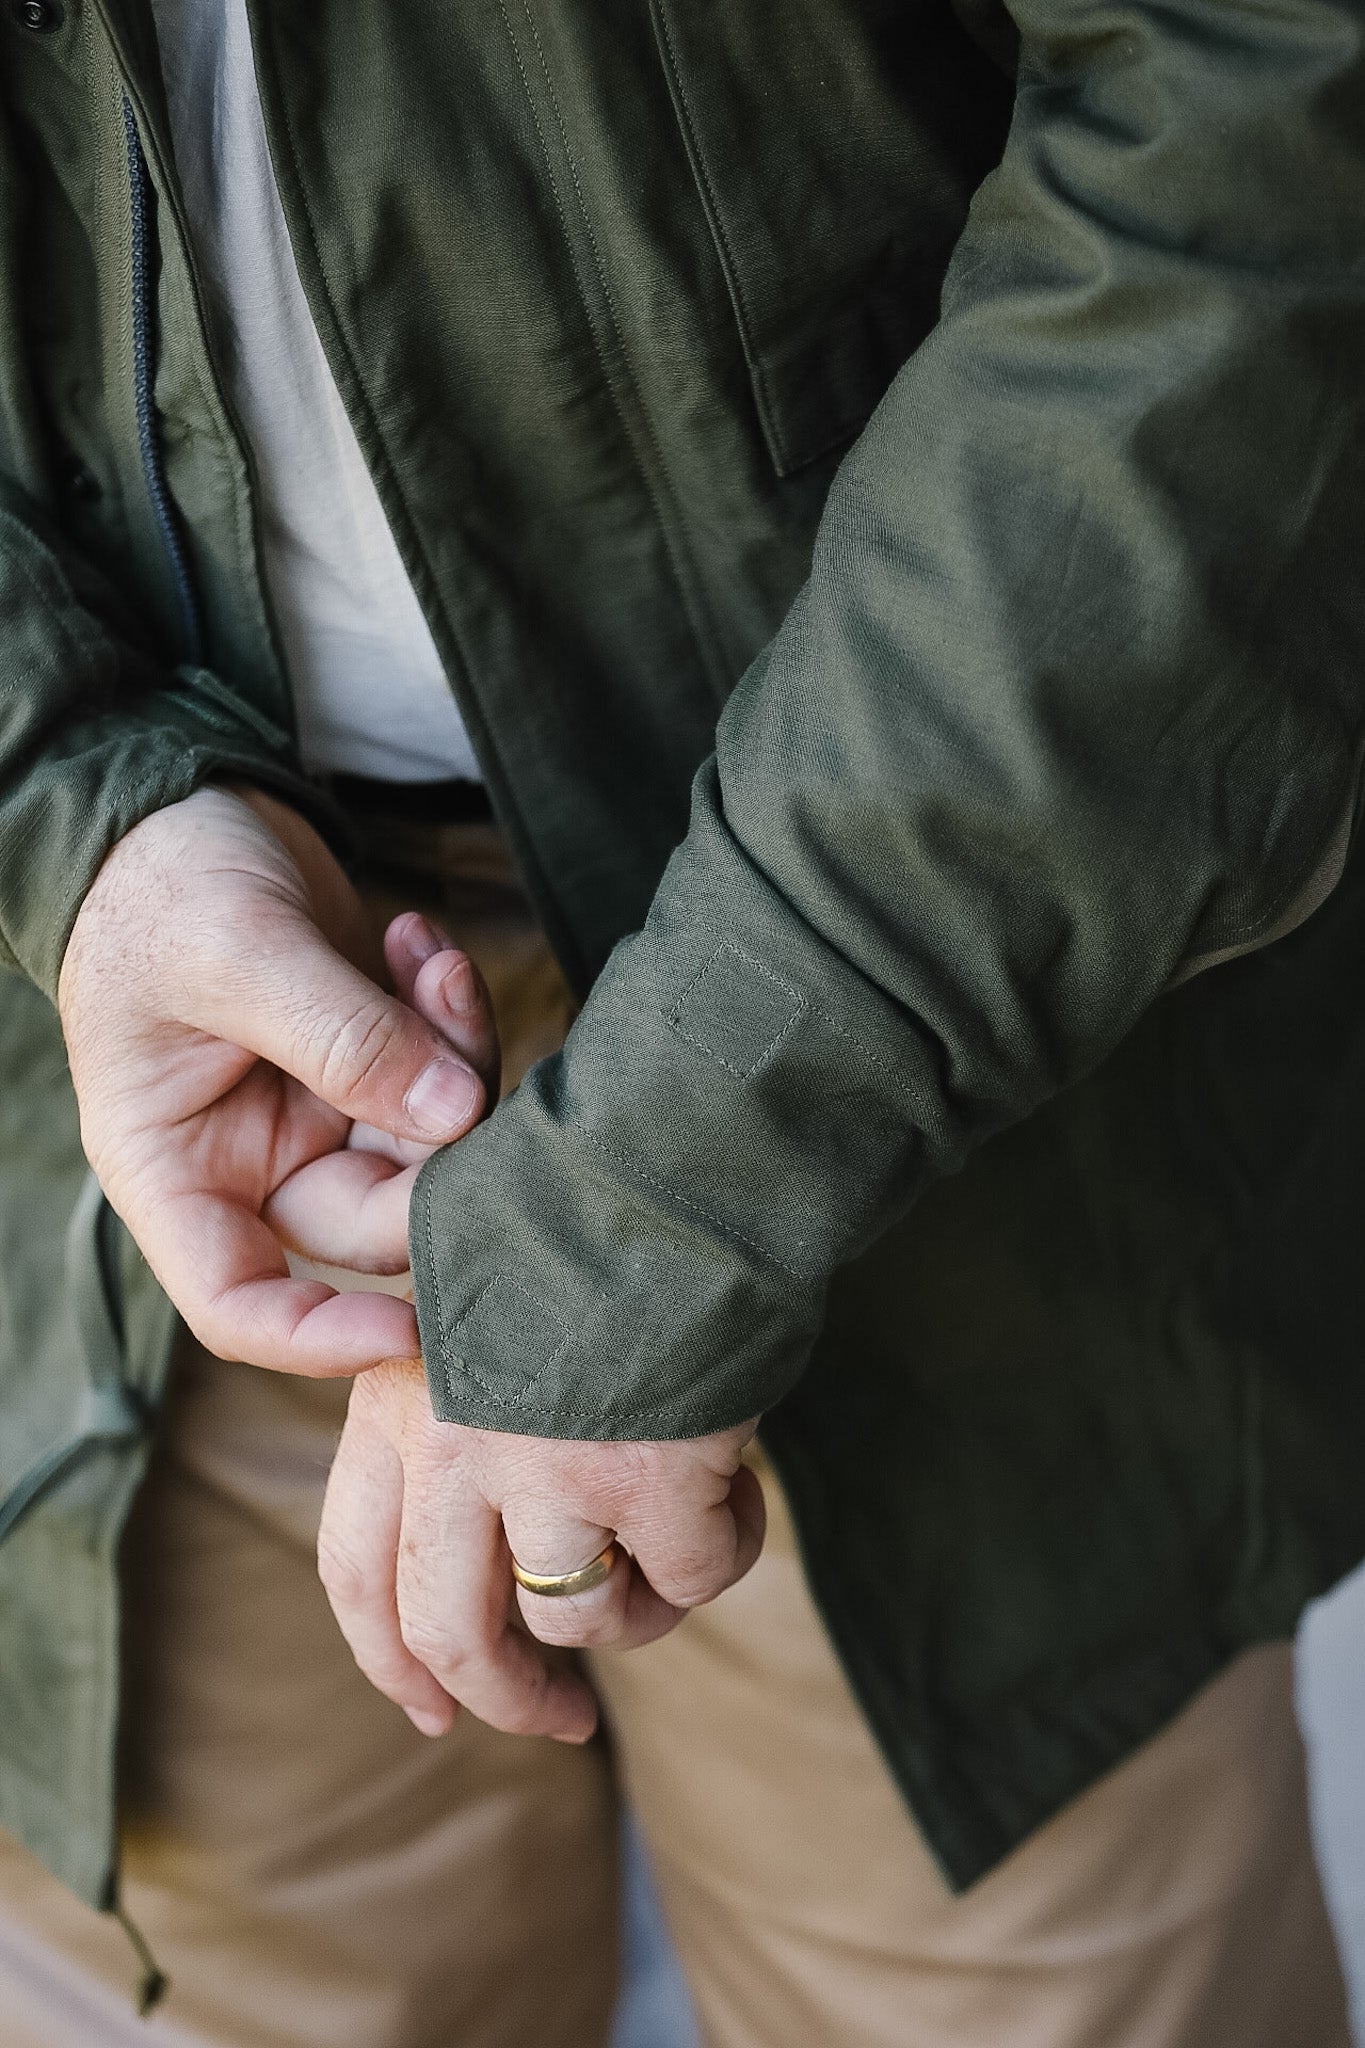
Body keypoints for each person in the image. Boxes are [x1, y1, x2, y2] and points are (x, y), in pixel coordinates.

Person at [0, 0, 1362, 2041]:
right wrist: (65, 812)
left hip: (951, 993)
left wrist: (680, 1166)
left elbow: (1251, 130)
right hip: (134, 1101)